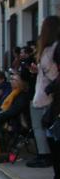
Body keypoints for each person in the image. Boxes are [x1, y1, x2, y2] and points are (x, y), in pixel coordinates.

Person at [27, 16, 60, 168]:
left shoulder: (51, 49)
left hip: (46, 94)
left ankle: (44, 156)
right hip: (45, 93)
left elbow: (53, 73)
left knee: (42, 127)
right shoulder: (50, 48)